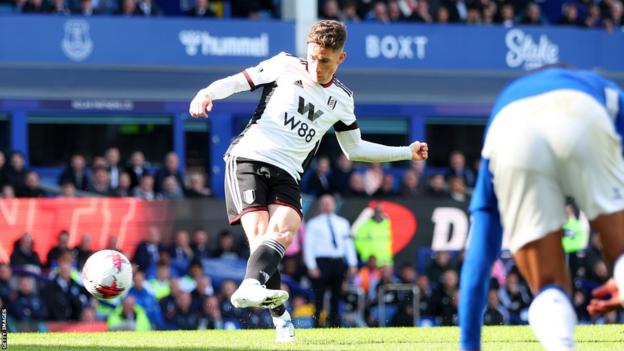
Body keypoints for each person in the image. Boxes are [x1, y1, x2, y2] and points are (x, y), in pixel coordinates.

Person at [189, 20, 428, 342]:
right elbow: (237, 82)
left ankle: (258, 294)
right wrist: (206, 93)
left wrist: (406, 152)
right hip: (249, 157)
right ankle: (278, 317)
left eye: (325, 60)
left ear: (341, 58)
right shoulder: (285, 66)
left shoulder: (342, 100)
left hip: (289, 172)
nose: (316, 66)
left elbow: (354, 148)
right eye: (313, 57)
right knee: (261, 236)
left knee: (282, 233)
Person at [459, 67, 624, 351]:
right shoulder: (598, 84)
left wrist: (469, 344)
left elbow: (480, 256)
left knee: (549, 287)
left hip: (513, 130)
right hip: (583, 112)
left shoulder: (504, 107)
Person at [303, 194, 358, 327]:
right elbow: (308, 246)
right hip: (321, 262)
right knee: (318, 295)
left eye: (329, 202)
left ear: (334, 204)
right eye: (324, 203)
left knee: (336, 294)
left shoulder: (342, 223)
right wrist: (311, 265)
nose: (327, 205)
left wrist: (352, 263)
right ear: (320, 205)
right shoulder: (313, 223)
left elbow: (348, 244)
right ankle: (317, 323)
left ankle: (334, 323)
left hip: (338, 261)